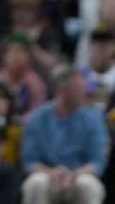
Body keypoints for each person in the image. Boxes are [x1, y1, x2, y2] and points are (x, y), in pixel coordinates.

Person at [19, 66, 109, 204]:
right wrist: (52, 173)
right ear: (63, 91)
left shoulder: (94, 118)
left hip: (80, 176)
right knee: (36, 183)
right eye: (79, 88)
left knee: (88, 185)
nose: (85, 92)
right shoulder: (36, 119)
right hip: (48, 175)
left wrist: (73, 175)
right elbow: (30, 161)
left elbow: (98, 161)